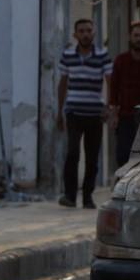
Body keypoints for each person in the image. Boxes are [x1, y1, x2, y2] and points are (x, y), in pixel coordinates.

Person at [57, 18, 112, 208]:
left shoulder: (103, 56)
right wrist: (59, 112)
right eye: (81, 31)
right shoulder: (67, 55)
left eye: (89, 30)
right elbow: (62, 84)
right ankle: (70, 196)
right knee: (72, 153)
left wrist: (108, 108)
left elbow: (110, 81)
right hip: (73, 111)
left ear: (94, 33)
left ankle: (88, 196)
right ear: (75, 34)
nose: (85, 34)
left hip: (95, 113)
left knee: (92, 156)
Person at [109, 20, 140, 169]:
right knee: (123, 155)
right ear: (130, 37)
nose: (139, 39)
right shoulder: (121, 61)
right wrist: (113, 114)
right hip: (125, 116)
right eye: (136, 35)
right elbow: (114, 88)